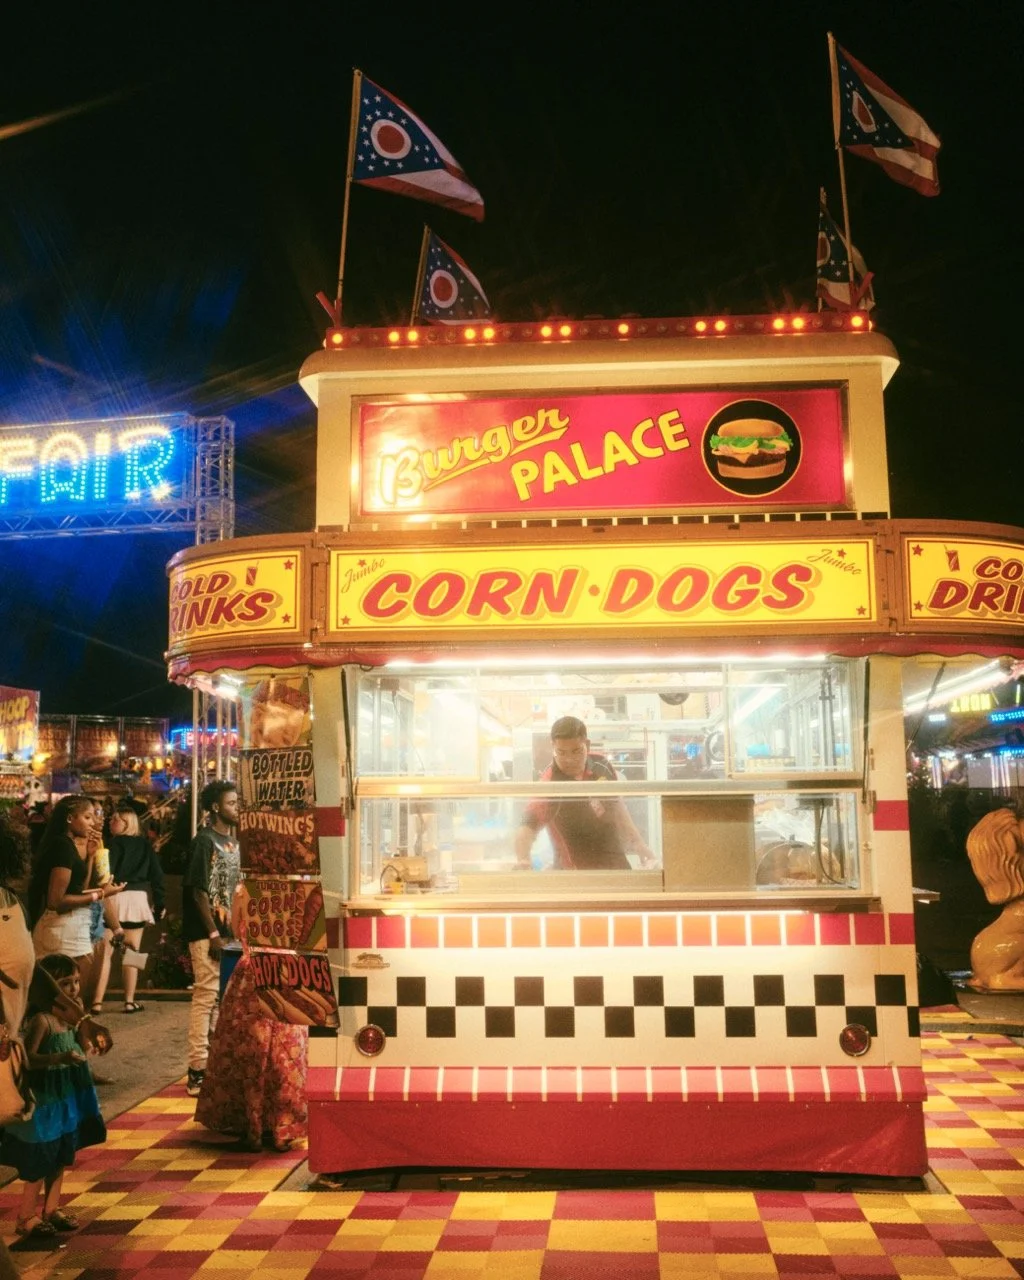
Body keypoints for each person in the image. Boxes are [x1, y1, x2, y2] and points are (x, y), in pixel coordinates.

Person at [0, 953, 106, 1243]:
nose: (72, 990)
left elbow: (81, 1046)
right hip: (46, 1099)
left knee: (61, 1152)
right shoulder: (43, 1022)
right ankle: (25, 1216)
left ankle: (51, 1209)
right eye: (63, 985)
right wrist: (59, 1056)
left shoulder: (72, 1020)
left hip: (66, 1097)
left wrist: (87, 1040)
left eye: (75, 982)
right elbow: (30, 1060)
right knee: (41, 1158)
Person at [196, 883, 307, 1151]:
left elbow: (236, 931)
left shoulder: (242, 891)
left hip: (251, 972)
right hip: (285, 972)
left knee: (248, 1048)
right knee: (286, 1052)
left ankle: (251, 1127)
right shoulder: (299, 888)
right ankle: (282, 1127)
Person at [514, 716, 657, 871]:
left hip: (615, 863)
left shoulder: (602, 766)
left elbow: (617, 806)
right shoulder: (550, 784)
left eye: (576, 751)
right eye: (561, 752)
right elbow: (527, 826)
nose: (569, 759)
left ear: (587, 745)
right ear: (553, 747)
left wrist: (638, 843)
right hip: (575, 874)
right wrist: (523, 860)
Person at [28, 797, 124, 1000]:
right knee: (72, 999)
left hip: (72, 925)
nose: (93, 822)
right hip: (62, 928)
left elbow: (80, 888)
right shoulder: (62, 846)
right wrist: (102, 894)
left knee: (76, 998)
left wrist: (89, 857)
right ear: (70, 818)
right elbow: (57, 901)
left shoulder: (68, 845)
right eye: (88, 817)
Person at [182, 780, 240, 1098]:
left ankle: (214, 1063)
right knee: (206, 997)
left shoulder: (231, 843)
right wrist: (213, 933)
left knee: (221, 999)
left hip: (227, 933)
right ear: (216, 807)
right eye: (232, 803)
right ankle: (197, 1070)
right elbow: (197, 890)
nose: (237, 807)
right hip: (208, 934)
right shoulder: (204, 841)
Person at [104, 803, 165, 1013]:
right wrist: (160, 903)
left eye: (115, 819)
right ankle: (129, 1001)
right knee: (132, 952)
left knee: (105, 953)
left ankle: (95, 1001)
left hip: (114, 897)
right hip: (138, 900)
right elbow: (157, 876)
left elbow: (105, 874)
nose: (110, 822)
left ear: (126, 823)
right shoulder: (145, 845)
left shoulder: (111, 845)